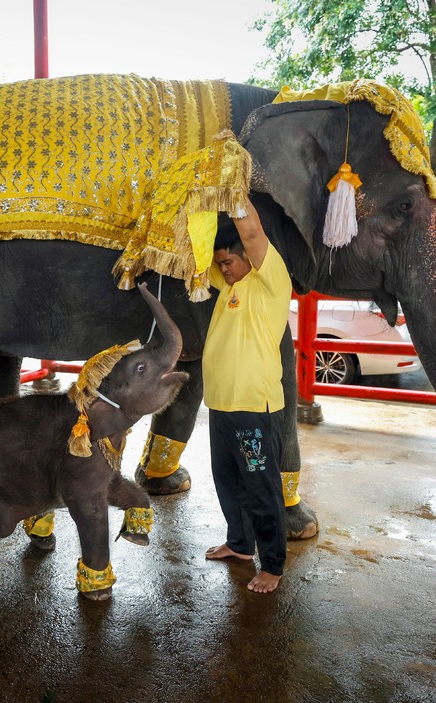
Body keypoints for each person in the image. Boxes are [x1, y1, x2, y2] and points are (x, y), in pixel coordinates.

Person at [199, 198, 291, 594]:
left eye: (229, 263)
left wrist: (233, 190)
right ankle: (239, 545)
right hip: (221, 407)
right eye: (220, 264)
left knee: (260, 486)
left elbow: (251, 233)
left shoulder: (270, 282)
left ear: (248, 259)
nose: (223, 270)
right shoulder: (228, 284)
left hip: (255, 409)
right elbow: (198, 251)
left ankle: (272, 564)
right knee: (227, 480)